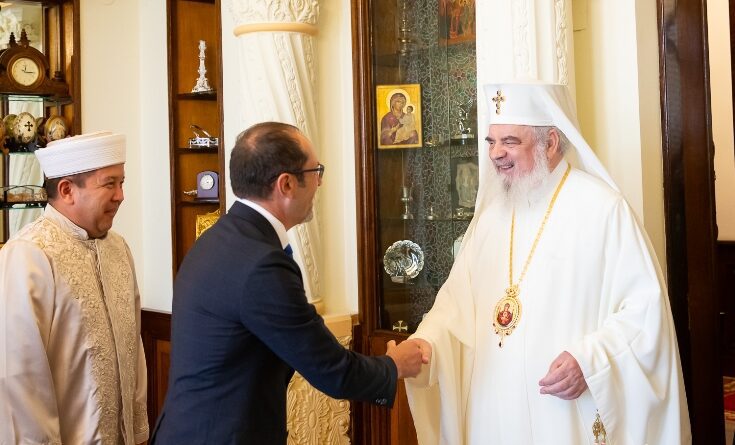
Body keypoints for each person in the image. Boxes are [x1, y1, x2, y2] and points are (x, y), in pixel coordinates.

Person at [404, 83, 691, 444]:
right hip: (491, 412)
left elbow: (645, 315)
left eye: (510, 141)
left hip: (562, 414)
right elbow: (454, 306)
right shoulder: (491, 219)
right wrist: (427, 343)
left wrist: (589, 361)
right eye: (492, 142)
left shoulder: (603, 210)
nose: (496, 154)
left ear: (551, 143)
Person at [151, 121, 427, 444]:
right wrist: (394, 365)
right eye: (316, 171)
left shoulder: (218, 238)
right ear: (286, 184)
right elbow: (332, 369)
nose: (320, 182)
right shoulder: (261, 264)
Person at [0, 131, 149, 444]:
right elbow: (20, 379)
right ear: (67, 190)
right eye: (109, 184)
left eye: (122, 182)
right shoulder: (29, 255)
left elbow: (134, 347)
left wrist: (138, 432)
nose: (120, 195)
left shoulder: (118, 249)